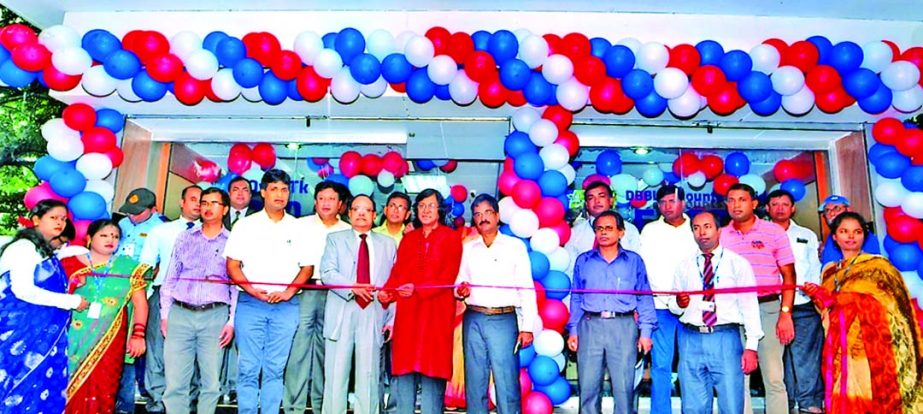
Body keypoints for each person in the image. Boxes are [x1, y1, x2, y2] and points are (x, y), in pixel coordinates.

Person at [802, 212, 923, 413]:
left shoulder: (878, 266)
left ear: (864, 236)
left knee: (866, 395)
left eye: (857, 232)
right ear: (834, 237)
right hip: (838, 348)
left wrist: (841, 300)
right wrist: (817, 296)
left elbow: (892, 305)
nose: (851, 237)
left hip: (868, 347)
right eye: (844, 231)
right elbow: (827, 309)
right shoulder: (830, 271)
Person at [224, 169, 312, 414]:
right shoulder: (245, 225)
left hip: (286, 306)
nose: (280, 194)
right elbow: (232, 265)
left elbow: (307, 268)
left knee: (275, 367)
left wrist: (288, 292)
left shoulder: (299, 227)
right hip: (251, 304)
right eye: (274, 189)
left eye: (284, 189)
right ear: (263, 192)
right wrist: (252, 290)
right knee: (249, 367)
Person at [378, 188, 463, 414]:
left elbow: (447, 275)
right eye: (422, 206)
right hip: (408, 312)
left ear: (440, 210)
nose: (425, 210)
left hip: (436, 312)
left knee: (432, 371)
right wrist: (388, 292)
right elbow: (398, 272)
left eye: (431, 206)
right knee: (404, 369)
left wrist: (415, 289)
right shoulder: (409, 238)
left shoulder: (451, 237)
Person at [668, 211, 763, 414]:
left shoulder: (738, 264)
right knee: (693, 406)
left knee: (731, 404)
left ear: (719, 230)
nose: (702, 233)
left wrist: (752, 347)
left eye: (707, 226)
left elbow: (750, 307)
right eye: (696, 228)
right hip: (690, 338)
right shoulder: (683, 265)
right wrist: (679, 302)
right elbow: (673, 305)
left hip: (725, 338)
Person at [0, 200, 88, 413]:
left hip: (45, 332)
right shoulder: (23, 248)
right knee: (17, 385)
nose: (60, 222)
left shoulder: (46, 251)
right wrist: (72, 302)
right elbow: (23, 290)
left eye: (63, 219)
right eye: (53, 217)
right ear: (36, 219)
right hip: (21, 332)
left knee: (43, 385)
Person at [566, 210, 656, 414]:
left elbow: (644, 297)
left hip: (623, 327)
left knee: (624, 387)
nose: (603, 233)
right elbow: (576, 298)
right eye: (599, 229)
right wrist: (573, 330)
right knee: (588, 386)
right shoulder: (584, 261)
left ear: (621, 232)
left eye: (609, 228)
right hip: (590, 326)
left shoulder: (634, 261)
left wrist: (646, 333)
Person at [454, 194, 538, 414]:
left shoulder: (514, 246)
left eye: (487, 212)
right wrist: (460, 289)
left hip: (503, 318)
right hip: (473, 317)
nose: (483, 218)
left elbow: (526, 287)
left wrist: (527, 326)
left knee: (506, 379)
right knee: (474, 379)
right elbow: (458, 282)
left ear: (498, 216)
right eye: (477, 214)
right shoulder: (469, 248)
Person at [720, 183, 796, 414]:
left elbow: (789, 275)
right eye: (731, 200)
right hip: (733, 313)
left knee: (773, 377)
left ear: (754, 204)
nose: (736, 205)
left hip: (768, 308)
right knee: (737, 376)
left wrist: (785, 314)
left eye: (742, 199)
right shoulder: (721, 235)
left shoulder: (774, 232)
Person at [160, 187, 237, 414]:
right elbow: (170, 277)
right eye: (204, 203)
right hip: (180, 313)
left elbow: (235, 286)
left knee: (211, 382)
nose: (207, 207)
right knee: (175, 382)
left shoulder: (232, 241)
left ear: (224, 209)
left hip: (215, 316)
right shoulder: (185, 237)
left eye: (214, 203)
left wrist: (231, 321)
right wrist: (166, 315)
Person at [63, 218, 152, 413]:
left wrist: (138, 335)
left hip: (110, 338)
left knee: (106, 385)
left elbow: (140, 304)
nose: (110, 239)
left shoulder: (130, 268)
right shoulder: (69, 265)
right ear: (89, 239)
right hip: (72, 336)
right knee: (65, 384)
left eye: (115, 236)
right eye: (104, 235)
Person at [320, 194, 397, 414]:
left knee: (369, 376)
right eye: (357, 209)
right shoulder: (335, 239)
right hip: (342, 309)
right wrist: (352, 287)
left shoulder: (388, 244)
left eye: (367, 210)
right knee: (336, 375)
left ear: (374, 215)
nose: (361, 213)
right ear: (349, 213)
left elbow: (394, 284)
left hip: (373, 313)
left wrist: (392, 319)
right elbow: (327, 273)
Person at [284, 181, 351, 414]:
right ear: (315, 201)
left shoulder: (347, 231)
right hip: (305, 290)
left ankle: (322, 405)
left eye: (331, 199)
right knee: (298, 350)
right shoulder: (299, 225)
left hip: (334, 294)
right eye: (321, 198)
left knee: (327, 351)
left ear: (340, 204)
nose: (326, 203)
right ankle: (294, 406)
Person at [139, 184, 202, 413]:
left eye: (202, 200)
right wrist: (145, 299)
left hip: (196, 300)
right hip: (162, 294)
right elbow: (144, 266)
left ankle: (187, 404)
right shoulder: (161, 231)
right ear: (181, 202)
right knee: (157, 351)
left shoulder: (210, 234)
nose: (197, 204)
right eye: (193, 199)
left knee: (193, 354)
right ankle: (157, 403)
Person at [638, 184, 698, 413]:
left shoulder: (695, 228)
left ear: (683, 203)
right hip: (658, 306)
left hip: (691, 307)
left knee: (689, 365)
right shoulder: (650, 230)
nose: (667, 206)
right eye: (662, 202)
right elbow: (642, 269)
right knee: (661, 365)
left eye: (671, 201)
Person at [767, 189, 824, 414]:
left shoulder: (807, 235)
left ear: (793, 208)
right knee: (778, 361)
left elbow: (814, 267)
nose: (780, 208)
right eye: (775, 204)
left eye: (784, 204)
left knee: (806, 358)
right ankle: (785, 404)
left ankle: (809, 403)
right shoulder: (760, 233)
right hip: (771, 306)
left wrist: (813, 288)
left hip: (803, 304)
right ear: (767, 209)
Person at [115, 187, 165, 412]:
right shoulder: (121, 225)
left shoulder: (162, 227)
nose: (132, 216)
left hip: (147, 292)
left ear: (153, 209)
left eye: (138, 212)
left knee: (144, 340)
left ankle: (145, 389)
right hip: (118, 292)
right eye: (130, 211)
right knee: (120, 341)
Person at [371, 191, 411, 412]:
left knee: (398, 363)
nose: (396, 210)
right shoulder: (372, 233)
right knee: (373, 361)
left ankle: (395, 407)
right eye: (392, 206)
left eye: (401, 207)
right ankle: (375, 406)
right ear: (385, 210)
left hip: (403, 308)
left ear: (407, 214)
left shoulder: (413, 238)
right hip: (375, 304)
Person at [565, 180, 641, 279]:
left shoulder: (629, 230)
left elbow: (636, 267)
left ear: (611, 200)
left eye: (601, 196)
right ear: (586, 204)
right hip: (586, 291)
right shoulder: (575, 233)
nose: (597, 201)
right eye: (591, 198)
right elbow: (570, 270)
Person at [222, 176, 253, 403]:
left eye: (245, 190)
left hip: (245, 287)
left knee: (239, 340)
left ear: (252, 195)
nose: (240, 194)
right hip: (218, 287)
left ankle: (234, 386)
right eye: (235, 189)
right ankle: (215, 385)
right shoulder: (216, 216)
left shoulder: (257, 220)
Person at [818, 195, 881, 266]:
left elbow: (872, 265)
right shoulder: (832, 237)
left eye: (837, 208)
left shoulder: (861, 235)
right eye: (827, 210)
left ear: (849, 210)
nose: (832, 213)